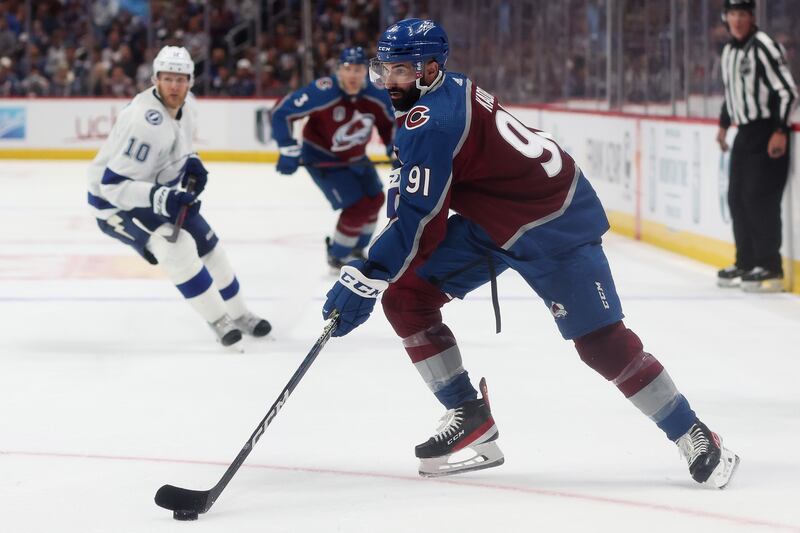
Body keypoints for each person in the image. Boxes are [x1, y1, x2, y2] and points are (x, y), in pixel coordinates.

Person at [322, 19, 740, 487]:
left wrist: (368, 274)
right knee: (406, 298)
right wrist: (389, 259)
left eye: (402, 70)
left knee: (601, 344)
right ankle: (468, 414)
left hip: (552, 221)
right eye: (387, 70)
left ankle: (694, 432)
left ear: (431, 67)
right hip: (497, 216)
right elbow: (417, 196)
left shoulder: (433, 120)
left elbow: (421, 221)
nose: (390, 81)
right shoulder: (438, 93)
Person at [87, 46, 271, 350]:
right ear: (156, 79)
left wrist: (192, 162)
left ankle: (239, 315)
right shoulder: (143, 123)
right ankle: (218, 320)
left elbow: (178, 145)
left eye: (181, 79)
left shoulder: (190, 105)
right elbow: (112, 185)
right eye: (168, 78)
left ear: (190, 81)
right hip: (115, 205)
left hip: (158, 192)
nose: (174, 86)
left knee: (212, 249)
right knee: (178, 250)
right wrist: (163, 198)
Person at [270, 46, 395, 271]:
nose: (353, 75)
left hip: (356, 157)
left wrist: (393, 148)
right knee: (357, 207)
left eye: (358, 69)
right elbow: (282, 112)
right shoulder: (323, 91)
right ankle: (338, 255)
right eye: (348, 69)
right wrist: (287, 149)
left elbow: (389, 123)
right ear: (339, 70)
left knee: (376, 200)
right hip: (323, 159)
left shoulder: (375, 94)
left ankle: (357, 249)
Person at [716, 0, 797, 292]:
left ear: (751, 17)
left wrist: (780, 129)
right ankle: (747, 261)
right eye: (733, 14)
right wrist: (724, 125)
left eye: (743, 14)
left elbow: (787, 91)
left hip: (766, 132)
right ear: (727, 18)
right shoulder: (728, 51)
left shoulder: (764, 46)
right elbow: (732, 95)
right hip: (744, 133)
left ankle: (770, 266)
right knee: (737, 198)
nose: (737, 20)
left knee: (759, 199)